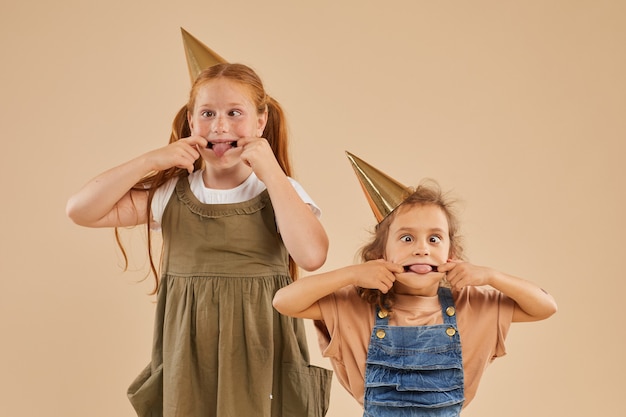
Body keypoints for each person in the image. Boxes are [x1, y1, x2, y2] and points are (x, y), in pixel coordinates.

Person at [66, 63, 332, 417]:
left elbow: (312, 255)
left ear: (260, 122)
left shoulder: (279, 192)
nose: (220, 126)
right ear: (192, 123)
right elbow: (80, 210)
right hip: (188, 366)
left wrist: (271, 171)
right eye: (208, 113)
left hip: (261, 355)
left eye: (234, 113)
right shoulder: (168, 195)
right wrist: (149, 160)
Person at [273, 179, 557, 416]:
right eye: (407, 238)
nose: (421, 249)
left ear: (451, 255)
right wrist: (352, 275)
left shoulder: (471, 305)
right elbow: (284, 301)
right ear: (380, 255)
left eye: (434, 239)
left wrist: (491, 277)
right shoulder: (356, 304)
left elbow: (545, 306)